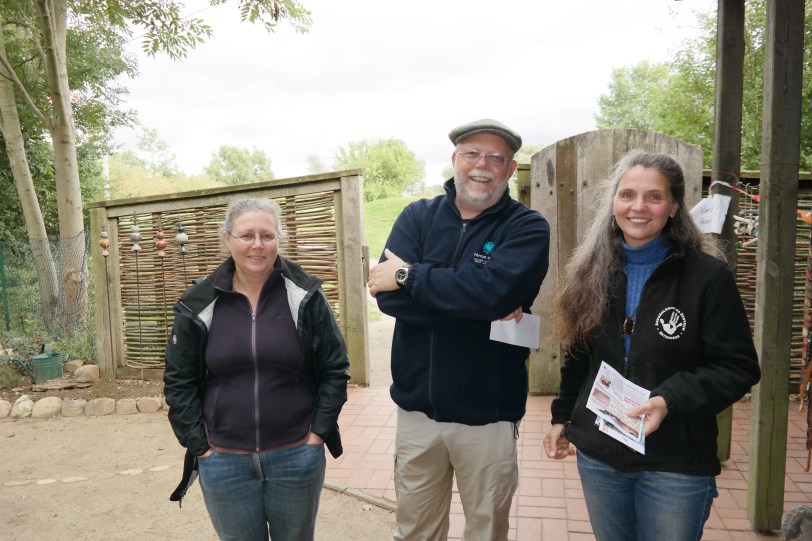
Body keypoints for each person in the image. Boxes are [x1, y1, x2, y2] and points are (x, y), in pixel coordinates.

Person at [543, 151, 761, 541]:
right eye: (627, 195)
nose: (638, 207)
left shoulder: (707, 277)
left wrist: (668, 400)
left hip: (675, 461)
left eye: (654, 197)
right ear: (613, 204)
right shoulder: (589, 273)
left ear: (674, 206)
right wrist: (563, 416)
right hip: (600, 457)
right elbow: (579, 358)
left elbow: (738, 367)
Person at [368, 119, 550, 541]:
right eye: (472, 153)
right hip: (417, 414)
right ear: (455, 160)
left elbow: (490, 296)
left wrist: (410, 276)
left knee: (485, 532)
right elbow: (388, 297)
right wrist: (476, 301)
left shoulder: (526, 227)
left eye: (495, 158)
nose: (482, 165)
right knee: (415, 531)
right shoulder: (417, 216)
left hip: (487, 417)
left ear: (509, 168)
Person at [163, 197, 351, 541]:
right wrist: (200, 445)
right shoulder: (198, 303)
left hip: (295, 454)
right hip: (223, 460)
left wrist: (317, 435)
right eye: (247, 235)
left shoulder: (304, 294)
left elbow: (335, 369)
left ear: (280, 239)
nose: (257, 245)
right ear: (227, 239)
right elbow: (179, 380)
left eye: (267, 235)